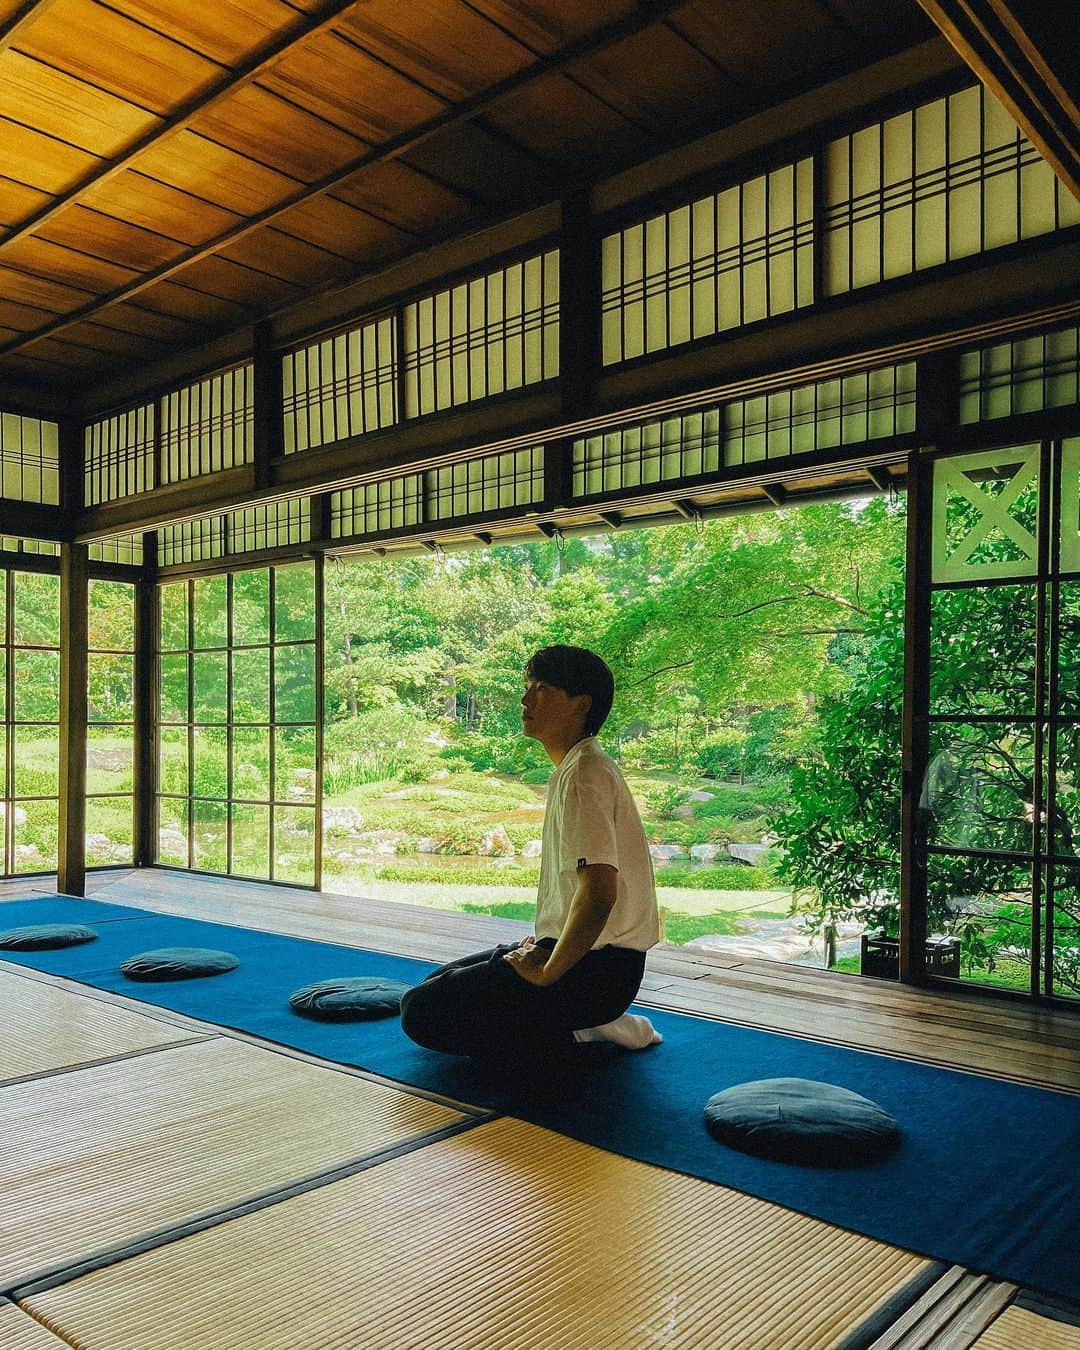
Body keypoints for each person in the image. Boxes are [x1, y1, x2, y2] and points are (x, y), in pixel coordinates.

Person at [399, 645, 661, 1065]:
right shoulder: (578, 767)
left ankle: (582, 1029)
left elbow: (599, 894)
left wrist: (548, 970)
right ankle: (582, 1021)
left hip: (597, 974)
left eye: (540, 689)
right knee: (434, 984)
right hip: (591, 962)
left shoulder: (585, 774)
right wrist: (544, 946)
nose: (525, 700)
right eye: (526, 688)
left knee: (421, 1013)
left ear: (581, 704)